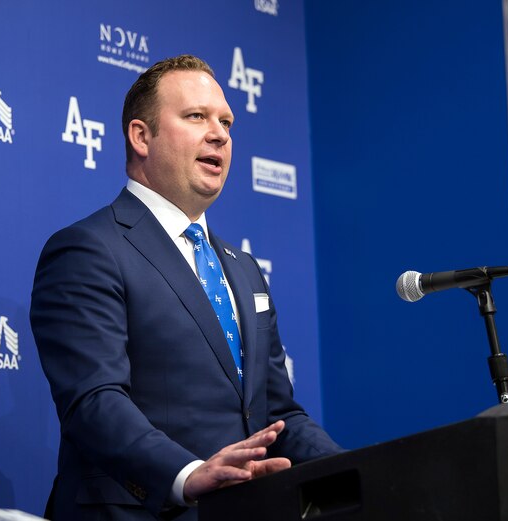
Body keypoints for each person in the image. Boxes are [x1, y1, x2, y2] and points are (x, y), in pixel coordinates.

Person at [30, 55, 342, 521]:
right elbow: (94, 402)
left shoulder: (245, 269)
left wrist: (357, 471)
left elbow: (278, 413)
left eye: (227, 122)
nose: (219, 133)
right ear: (141, 136)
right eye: (196, 117)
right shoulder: (88, 249)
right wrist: (187, 473)